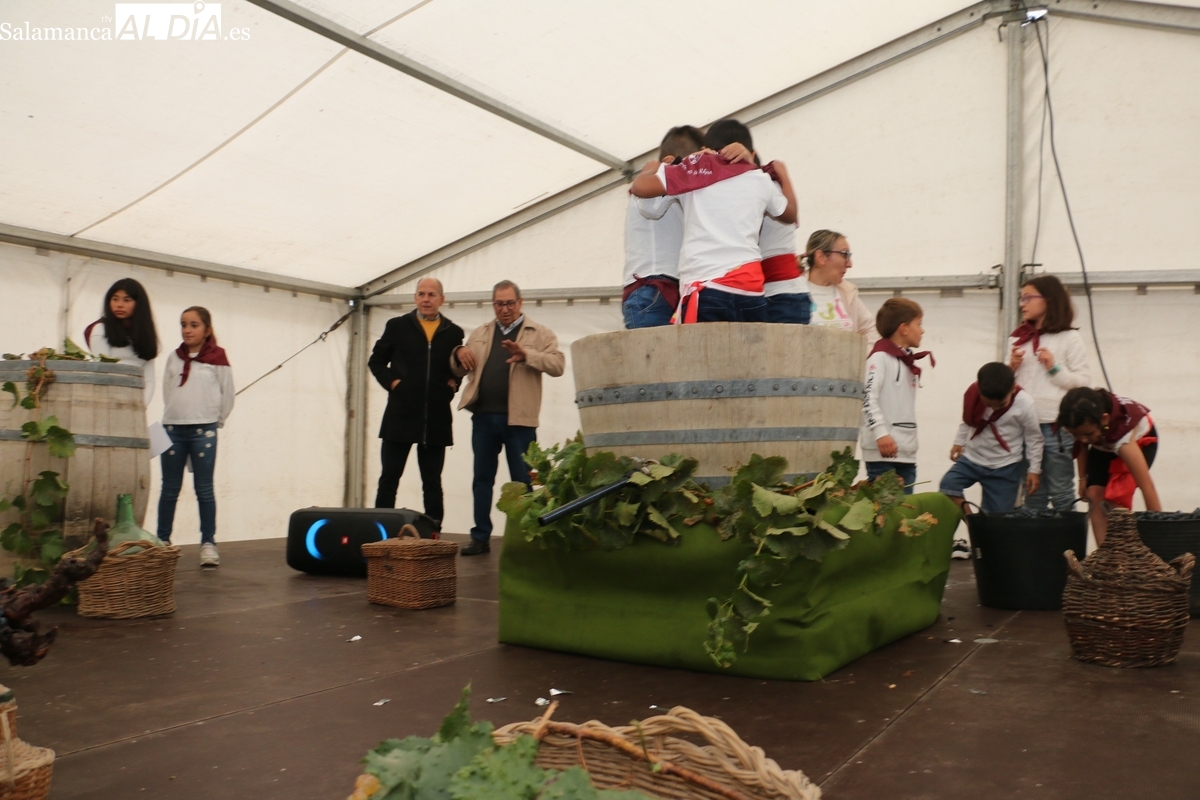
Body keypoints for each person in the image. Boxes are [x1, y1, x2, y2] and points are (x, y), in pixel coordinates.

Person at [629, 119, 797, 323]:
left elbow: (641, 189)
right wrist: (782, 173)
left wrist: (652, 168)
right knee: (749, 345)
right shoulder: (759, 177)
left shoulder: (694, 169)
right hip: (750, 288)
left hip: (706, 287)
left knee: (704, 345)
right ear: (749, 152)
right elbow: (790, 214)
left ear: (705, 148)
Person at [451, 281, 564, 555]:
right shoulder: (480, 333)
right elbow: (459, 370)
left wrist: (527, 355)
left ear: (520, 302)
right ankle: (480, 536)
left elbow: (558, 365)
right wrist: (457, 352)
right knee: (482, 479)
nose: (505, 309)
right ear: (493, 305)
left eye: (510, 303)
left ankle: (525, 538)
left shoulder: (539, 332)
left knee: (524, 481)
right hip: (483, 418)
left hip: (520, 422)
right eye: (499, 304)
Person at [368, 277, 464, 526]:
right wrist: (393, 383)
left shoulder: (454, 333)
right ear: (415, 298)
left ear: (442, 299)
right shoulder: (397, 326)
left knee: (432, 482)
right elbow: (376, 361)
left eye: (431, 295)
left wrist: (455, 383)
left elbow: (458, 368)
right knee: (389, 477)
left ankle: (434, 532)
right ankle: (382, 531)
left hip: (436, 419)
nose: (426, 299)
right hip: (400, 415)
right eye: (421, 294)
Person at [159, 307, 234, 567]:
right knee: (169, 488)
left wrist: (215, 421)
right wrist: (175, 415)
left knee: (204, 488)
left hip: (204, 430)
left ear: (207, 330)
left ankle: (208, 543)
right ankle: (162, 541)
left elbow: (227, 393)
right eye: (183, 324)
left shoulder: (218, 357)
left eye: (194, 325)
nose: (187, 330)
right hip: (173, 429)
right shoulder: (173, 357)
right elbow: (167, 391)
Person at [1008, 275, 1091, 511]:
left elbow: (1084, 384)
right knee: (1032, 494)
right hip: (1025, 426)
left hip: (1056, 426)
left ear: (1049, 299)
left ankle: (1068, 536)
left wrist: (1054, 368)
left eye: (1027, 298)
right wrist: (1010, 367)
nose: (1022, 304)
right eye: (1020, 298)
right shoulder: (1018, 338)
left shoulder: (1069, 337)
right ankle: (1037, 536)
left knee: (1062, 492)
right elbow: (1004, 386)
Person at [1056, 387, 1160, 546]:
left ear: (1105, 419)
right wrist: (1083, 478)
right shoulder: (1083, 420)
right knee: (1093, 494)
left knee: (1116, 496)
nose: (1083, 439)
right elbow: (1082, 445)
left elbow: (1148, 488)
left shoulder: (1123, 438)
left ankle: (1124, 549)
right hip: (1103, 441)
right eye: (1076, 434)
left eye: (1087, 434)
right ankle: (1105, 553)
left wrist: (1160, 532)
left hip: (1139, 441)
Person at [623, 125, 703, 329]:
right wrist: (663, 170)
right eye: (691, 164)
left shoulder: (675, 189)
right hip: (652, 288)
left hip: (665, 288)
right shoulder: (654, 180)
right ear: (670, 161)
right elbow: (651, 208)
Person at [940, 362, 1043, 520]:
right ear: (979, 390)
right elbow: (968, 418)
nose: (994, 408)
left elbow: (1034, 438)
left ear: (1013, 389)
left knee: (996, 519)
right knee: (948, 485)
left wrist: (1034, 469)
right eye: (988, 404)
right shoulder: (973, 393)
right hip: (972, 458)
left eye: (1001, 405)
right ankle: (973, 523)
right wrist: (958, 442)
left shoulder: (1025, 404)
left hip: (1005, 467)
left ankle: (984, 529)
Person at [860, 298, 931, 493]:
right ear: (904, 328)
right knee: (886, 508)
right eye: (919, 324)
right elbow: (867, 397)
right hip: (882, 453)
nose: (922, 330)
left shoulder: (907, 362)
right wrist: (881, 433)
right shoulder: (879, 358)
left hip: (906, 452)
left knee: (905, 508)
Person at [83, 278, 159, 406]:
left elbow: (149, 381)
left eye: (126, 300)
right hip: (107, 402)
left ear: (139, 304)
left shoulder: (145, 335)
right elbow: (102, 372)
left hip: (135, 402)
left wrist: (141, 407)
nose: (119, 304)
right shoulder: (100, 329)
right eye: (115, 299)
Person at [802, 230, 878, 344]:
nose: (850, 264)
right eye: (844, 254)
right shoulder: (792, 292)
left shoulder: (848, 292)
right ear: (821, 257)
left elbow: (871, 331)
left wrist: (860, 353)